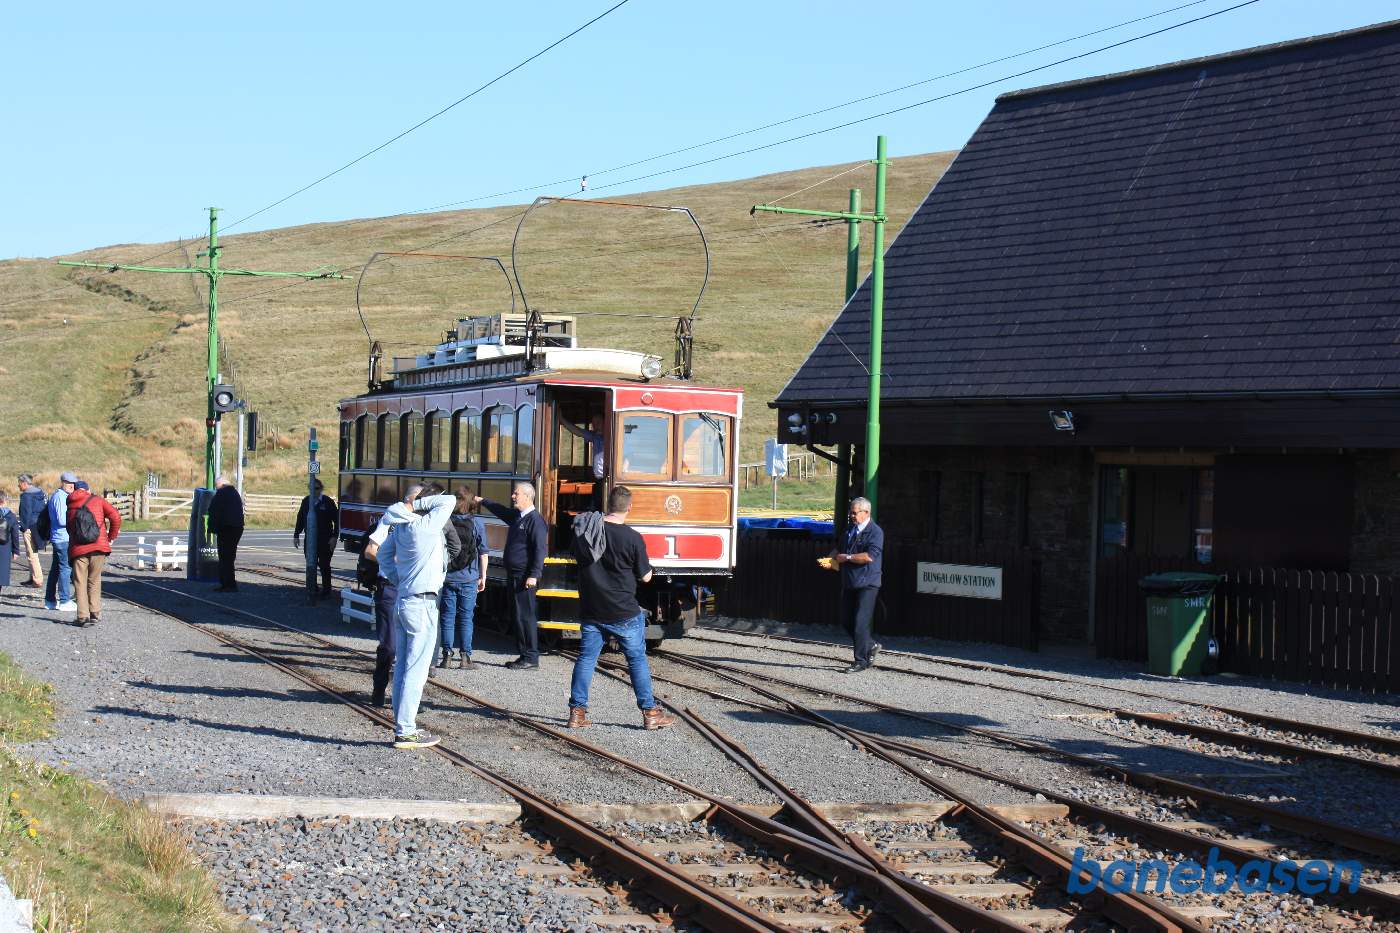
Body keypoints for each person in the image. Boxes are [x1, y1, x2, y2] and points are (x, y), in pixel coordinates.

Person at [566, 486, 675, 730]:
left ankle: (577, 713)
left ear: (608, 504)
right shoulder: (632, 537)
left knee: (586, 659)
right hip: (623, 611)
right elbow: (645, 577)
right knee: (636, 660)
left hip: (592, 608)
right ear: (629, 507)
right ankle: (649, 713)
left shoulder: (586, 529)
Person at [376, 486, 455, 749]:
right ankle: (406, 730)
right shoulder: (426, 526)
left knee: (402, 668)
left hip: (405, 600)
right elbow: (449, 500)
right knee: (415, 671)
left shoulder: (402, 528)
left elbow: (384, 555)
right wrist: (417, 504)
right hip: (422, 604)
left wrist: (400, 580)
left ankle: (403, 726)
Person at [474, 482, 547, 670]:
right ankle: (524, 655)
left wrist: (534, 574)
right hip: (514, 574)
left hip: (525, 576)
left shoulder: (535, 521)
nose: (513, 496)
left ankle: (530, 657)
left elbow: (540, 550)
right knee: (517, 615)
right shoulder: (518, 517)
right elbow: (500, 510)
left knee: (526, 616)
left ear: (528, 497)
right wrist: (483, 501)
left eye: (517, 494)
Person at [830, 496, 883, 673]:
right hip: (850, 581)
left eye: (854, 513)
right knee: (846, 621)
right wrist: (833, 556)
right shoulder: (849, 530)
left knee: (860, 623)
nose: (852, 516)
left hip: (868, 583)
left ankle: (861, 661)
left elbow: (869, 556)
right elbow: (841, 549)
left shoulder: (875, 532)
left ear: (866, 512)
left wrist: (848, 558)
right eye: (850, 513)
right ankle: (871, 645)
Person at [439, 489, 488, 670]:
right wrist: (483, 576)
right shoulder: (477, 523)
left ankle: (446, 657)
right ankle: (465, 658)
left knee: (447, 617)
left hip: (448, 577)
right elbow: (483, 553)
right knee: (466, 617)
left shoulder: (445, 521)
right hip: (469, 578)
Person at [66, 483, 121, 626]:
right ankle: (95, 613)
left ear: (75, 489)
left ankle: (82, 616)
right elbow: (115, 516)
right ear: (87, 489)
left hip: (78, 548)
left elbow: (69, 527)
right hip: (98, 546)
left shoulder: (70, 503)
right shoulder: (97, 500)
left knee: (80, 582)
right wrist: (110, 536)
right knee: (94, 580)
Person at [359, 518, 395, 708]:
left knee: (413, 650)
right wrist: (392, 559)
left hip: (416, 590)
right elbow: (370, 551)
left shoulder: (427, 522)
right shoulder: (390, 521)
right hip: (390, 587)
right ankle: (379, 688)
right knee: (390, 646)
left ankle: (408, 698)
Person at [294, 480, 340, 597]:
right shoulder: (306, 502)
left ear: (321, 489)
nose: (314, 491)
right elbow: (300, 519)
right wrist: (296, 535)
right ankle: (312, 588)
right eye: (312, 489)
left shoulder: (328, 502)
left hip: (325, 539)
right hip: (309, 539)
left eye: (317, 488)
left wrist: (334, 537)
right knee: (311, 563)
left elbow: (337, 521)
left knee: (324, 565)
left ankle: (326, 591)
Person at [43, 472, 77, 613]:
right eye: (69, 483)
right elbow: (62, 520)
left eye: (73, 484)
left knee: (56, 569)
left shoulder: (62, 496)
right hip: (63, 538)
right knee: (65, 568)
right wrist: (75, 519)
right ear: (63, 482)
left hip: (59, 537)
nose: (71, 486)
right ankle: (64, 600)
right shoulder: (60, 497)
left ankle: (50, 600)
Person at [559, 412, 606, 512]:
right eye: (593, 422)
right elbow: (577, 431)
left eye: (597, 422)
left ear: (604, 422)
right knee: (594, 510)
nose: (594, 425)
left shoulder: (611, 436)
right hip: (598, 480)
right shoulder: (594, 436)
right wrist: (561, 419)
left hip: (607, 480)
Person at [207, 475, 244, 592]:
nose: (215, 488)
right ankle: (229, 583)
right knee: (230, 557)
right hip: (237, 528)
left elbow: (213, 510)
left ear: (220, 484)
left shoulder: (221, 493)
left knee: (224, 557)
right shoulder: (234, 492)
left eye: (216, 486)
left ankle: (228, 584)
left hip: (226, 528)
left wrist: (212, 529)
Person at [16, 475, 45, 588]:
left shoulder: (26, 496)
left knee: (31, 554)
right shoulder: (40, 493)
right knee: (33, 552)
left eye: (19, 482)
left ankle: (37, 580)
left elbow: (25, 513)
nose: (18, 485)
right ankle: (32, 577)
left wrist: (23, 527)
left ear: (24, 483)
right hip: (39, 525)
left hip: (29, 526)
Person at [0, 492, 20, 595]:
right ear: (4, 501)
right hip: (5, 547)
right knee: (1, 573)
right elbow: (15, 534)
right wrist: (15, 551)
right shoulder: (11, 516)